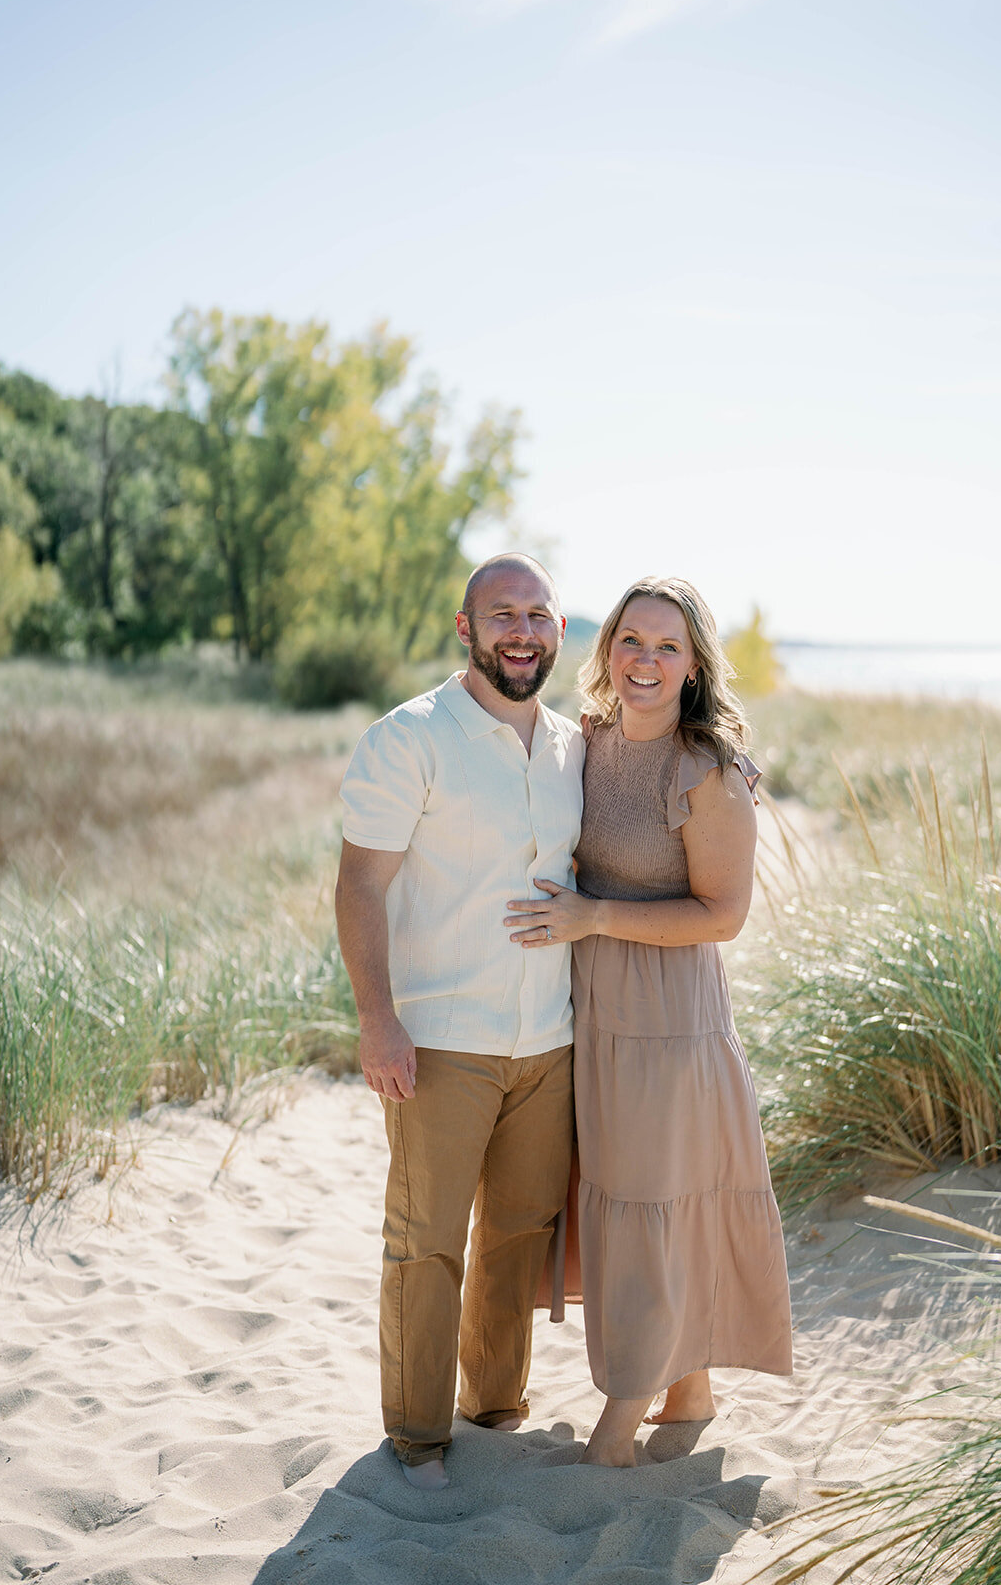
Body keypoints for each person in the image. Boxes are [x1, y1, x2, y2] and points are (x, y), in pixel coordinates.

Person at [506, 576, 792, 1468]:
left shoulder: (705, 772)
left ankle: (617, 1427)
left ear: (694, 665)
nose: (645, 660)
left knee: (648, 1202)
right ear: (607, 649)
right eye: (632, 639)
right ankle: (688, 1388)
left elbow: (722, 915)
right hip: (593, 1012)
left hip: (669, 1023)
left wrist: (592, 917)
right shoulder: (583, 745)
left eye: (668, 647)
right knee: (638, 1195)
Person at [334, 553, 584, 1490]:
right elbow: (360, 884)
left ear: (558, 630)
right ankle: (417, 1436)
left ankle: (493, 1405)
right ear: (465, 627)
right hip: (439, 1037)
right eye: (502, 615)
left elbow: (664, 757)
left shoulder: (572, 745)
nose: (520, 632)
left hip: (546, 1038)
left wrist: (731, 756)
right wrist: (376, 1021)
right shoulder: (409, 739)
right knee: (427, 1237)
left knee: (519, 1231)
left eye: (537, 615)